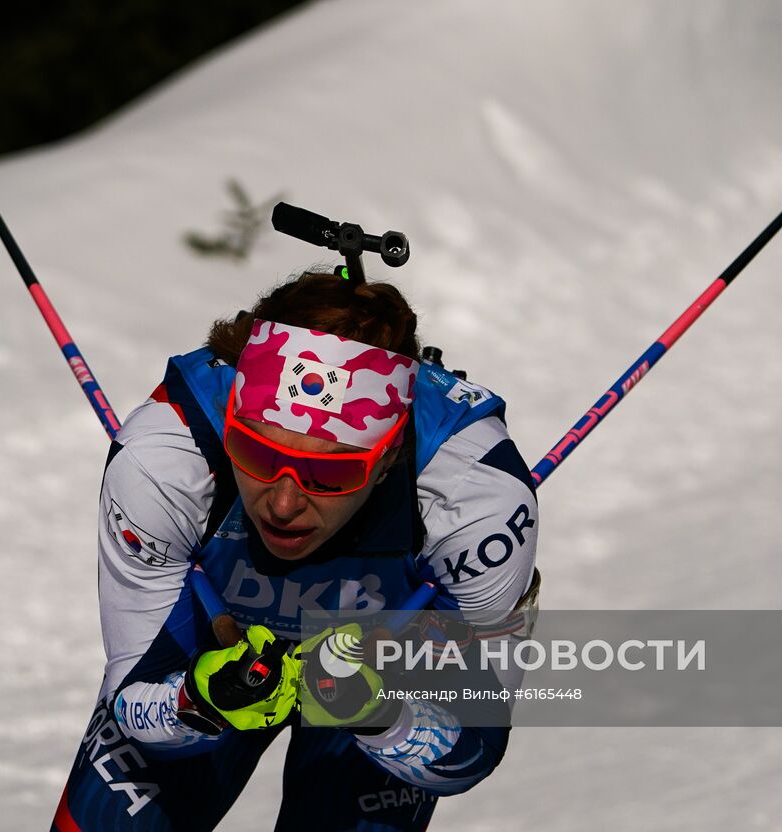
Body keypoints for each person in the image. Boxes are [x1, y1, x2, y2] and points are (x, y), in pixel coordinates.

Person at [53, 271, 539, 831]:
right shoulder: (165, 458)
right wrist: (198, 700)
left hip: (386, 661)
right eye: (256, 453)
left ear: (387, 460)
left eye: (328, 474)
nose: (282, 504)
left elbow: (473, 749)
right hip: (206, 649)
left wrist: (380, 716)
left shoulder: (477, 500)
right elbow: (131, 699)